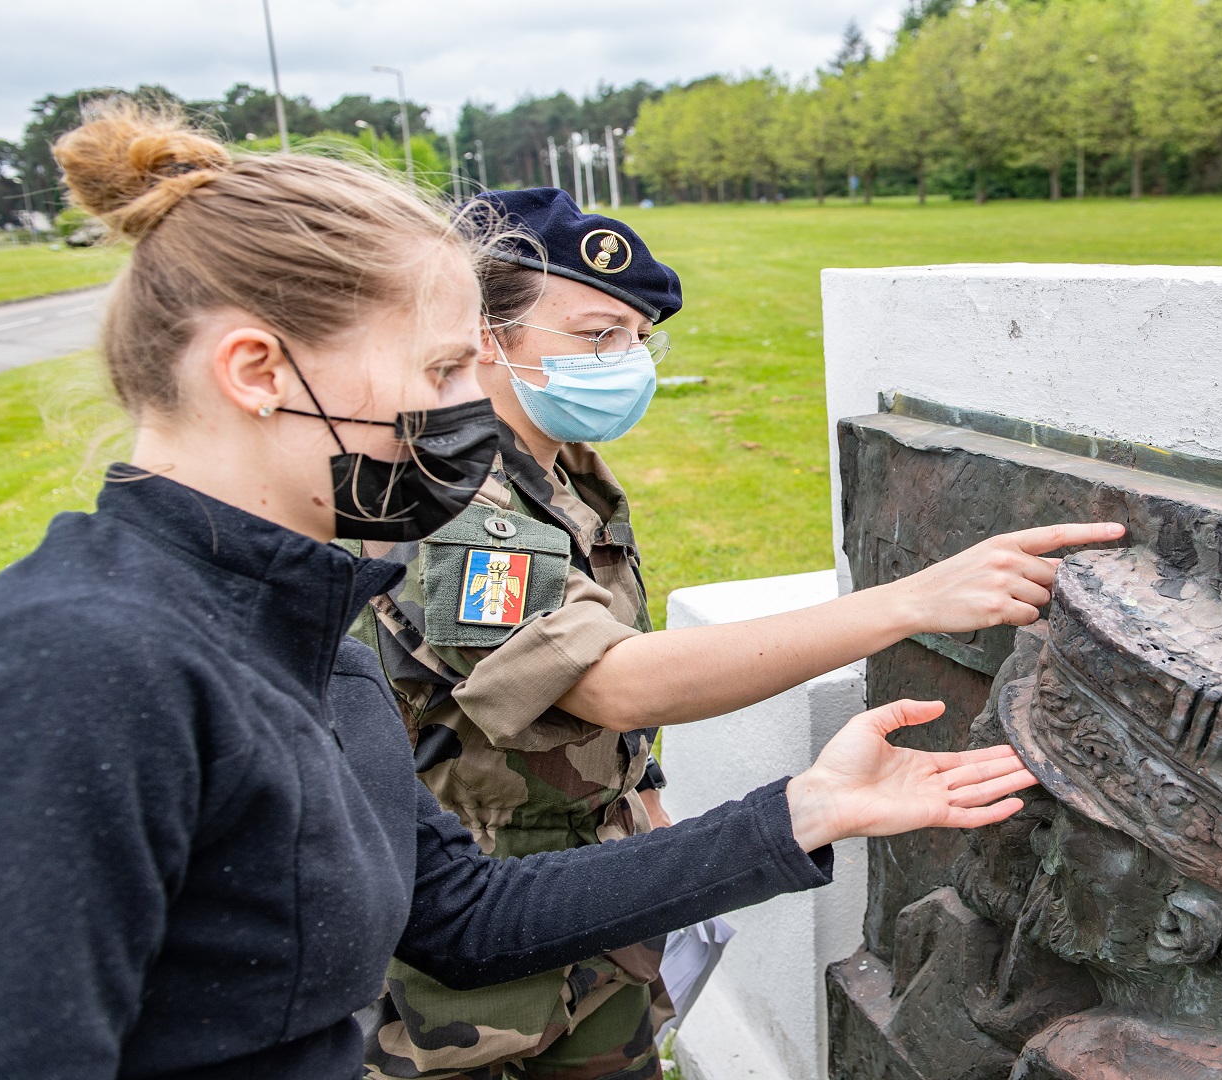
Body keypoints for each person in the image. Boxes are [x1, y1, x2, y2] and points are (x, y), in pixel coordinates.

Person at [0, 105, 1054, 1080]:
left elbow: (461, 922)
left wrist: (808, 811)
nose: (468, 412)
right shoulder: (72, 668)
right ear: (256, 372)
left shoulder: (313, 643)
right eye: (444, 370)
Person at [351, 188, 1122, 1080]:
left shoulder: (566, 472)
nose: (628, 362)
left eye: (639, 338)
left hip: (605, 887)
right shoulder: (456, 500)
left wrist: (637, 804)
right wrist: (910, 601)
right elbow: (609, 682)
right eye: (597, 336)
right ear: (487, 334)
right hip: (481, 937)